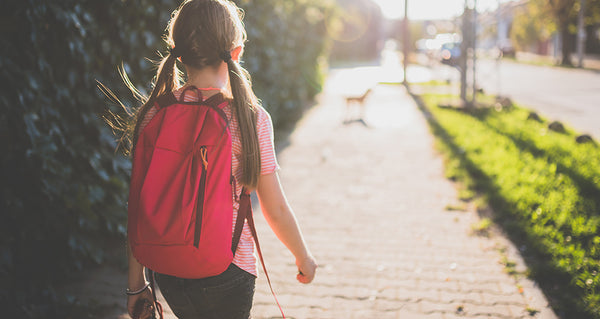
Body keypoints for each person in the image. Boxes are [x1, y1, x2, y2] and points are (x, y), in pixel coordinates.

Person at [121, 1, 317, 318]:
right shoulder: (249, 117)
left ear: (177, 52)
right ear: (236, 51)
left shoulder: (154, 113)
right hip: (229, 269)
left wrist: (136, 284)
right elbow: (275, 208)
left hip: (168, 269)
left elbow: (139, 205)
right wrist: (303, 257)